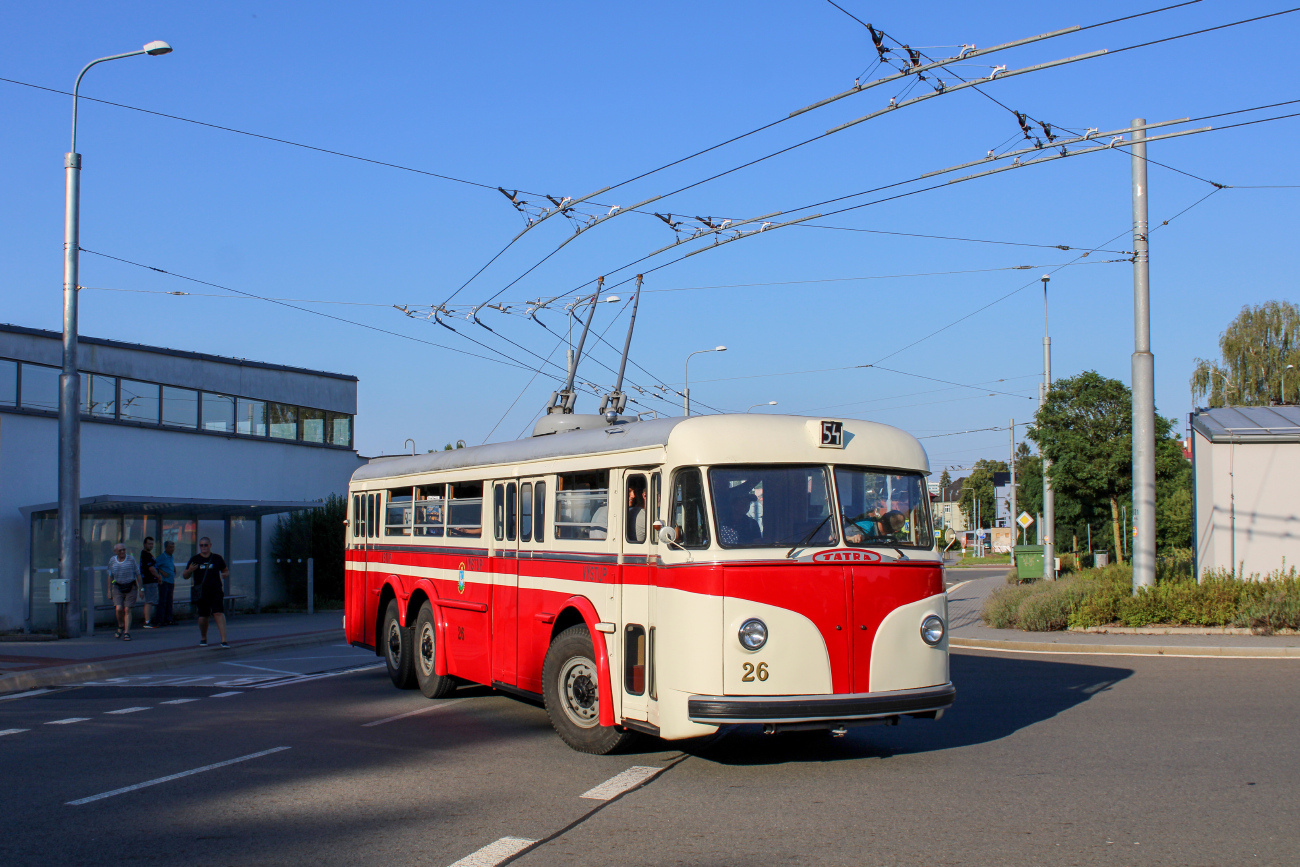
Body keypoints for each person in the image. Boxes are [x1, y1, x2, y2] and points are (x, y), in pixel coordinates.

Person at [183, 537, 230, 648]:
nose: (203, 547)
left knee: (218, 612)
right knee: (203, 616)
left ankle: (224, 639)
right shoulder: (195, 559)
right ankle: (203, 637)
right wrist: (190, 570)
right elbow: (185, 575)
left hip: (216, 590)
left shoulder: (217, 558)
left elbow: (225, 570)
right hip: (201, 592)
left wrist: (225, 574)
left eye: (205, 545)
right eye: (201, 545)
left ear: (210, 545)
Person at [107, 543, 140, 641]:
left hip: (130, 586)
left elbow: (138, 573)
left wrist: (141, 589)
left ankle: (127, 632)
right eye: (120, 550)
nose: (122, 552)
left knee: (127, 609)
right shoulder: (112, 560)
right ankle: (120, 625)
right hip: (118, 586)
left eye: (124, 550)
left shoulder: (131, 559)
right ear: (115, 552)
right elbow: (110, 575)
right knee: (118, 609)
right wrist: (109, 590)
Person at [139, 537, 161, 628]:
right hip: (149, 581)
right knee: (149, 601)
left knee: (150, 601)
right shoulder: (146, 555)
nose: (151, 545)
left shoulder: (147, 554)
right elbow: (151, 568)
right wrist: (158, 576)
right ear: (145, 544)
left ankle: (148, 620)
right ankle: (147, 621)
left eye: (152, 544)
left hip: (150, 581)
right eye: (149, 544)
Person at [155, 540, 177, 626]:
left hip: (171, 581)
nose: (172, 549)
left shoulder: (171, 557)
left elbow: (169, 564)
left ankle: (169, 619)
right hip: (164, 581)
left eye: (173, 547)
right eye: (170, 547)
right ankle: (160, 619)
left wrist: (174, 568)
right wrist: (161, 572)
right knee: (163, 601)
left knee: (169, 601)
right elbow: (155, 565)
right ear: (166, 548)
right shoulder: (162, 557)